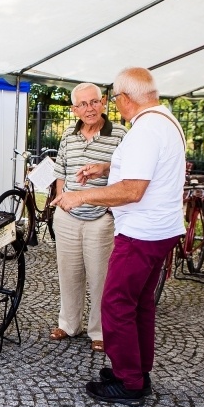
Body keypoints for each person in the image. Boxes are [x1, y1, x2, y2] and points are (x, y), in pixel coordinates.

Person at [53, 67, 185, 406]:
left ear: (125, 99)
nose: (112, 104)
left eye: (110, 98)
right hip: (161, 229)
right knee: (140, 303)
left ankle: (129, 382)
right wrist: (106, 167)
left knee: (115, 303)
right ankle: (138, 369)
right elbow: (142, 170)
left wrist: (80, 196)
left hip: (142, 232)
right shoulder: (163, 121)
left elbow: (133, 189)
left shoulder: (142, 130)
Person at [50, 83, 127, 353]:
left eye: (93, 102)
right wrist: (62, 203)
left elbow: (126, 176)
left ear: (103, 102)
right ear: (74, 110)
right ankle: (69, 324)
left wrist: (108, 210)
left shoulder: (120, 134)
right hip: (68, 216)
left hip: (100, 217)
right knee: (68, 273)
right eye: (82, 104)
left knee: (100, 277)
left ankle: (99, 330)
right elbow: (61, 172)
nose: (89, 108)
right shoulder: (68, 136)